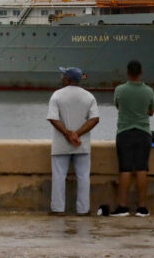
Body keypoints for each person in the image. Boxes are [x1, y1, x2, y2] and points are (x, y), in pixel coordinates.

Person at [47, 67, 99, 215]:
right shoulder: (89, 97)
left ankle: (58, 209)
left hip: (60, 144)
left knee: (59, 176)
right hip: (82, 145)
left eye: (63, 76)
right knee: (83, 177)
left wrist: (67, 134)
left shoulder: (57, 95)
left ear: (68, 79)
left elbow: (53, 118)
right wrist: (77, 134)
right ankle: (83, 209)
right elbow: (95, 119)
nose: (61, 77)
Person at [111, 60, 154, 217]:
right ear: (141, 72)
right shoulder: (149, 91)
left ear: (128, 72)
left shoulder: (120, 90)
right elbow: (151, 111)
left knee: (125, 169)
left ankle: (122, 206)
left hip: (124, 133)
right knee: (142, 169)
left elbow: (118, 106)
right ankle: (142, 207)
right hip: (143, 132)